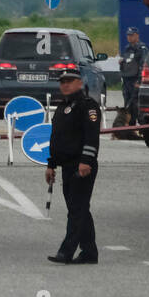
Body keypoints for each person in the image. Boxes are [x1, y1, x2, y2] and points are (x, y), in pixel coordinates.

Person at [46, 66, 101, 264]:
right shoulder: (63, 107)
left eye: (70, 81)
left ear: (80, 83)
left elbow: (91, 136)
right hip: (67, 166)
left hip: (82, 166)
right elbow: (56, 138)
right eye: (63, 82)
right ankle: (89, 252)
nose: (66, 85)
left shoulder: (88, 106)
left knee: (76, 210)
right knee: (79, 209)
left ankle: (66, 251)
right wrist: (51, 164)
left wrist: (86, 161)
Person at [119, 27, 148, 126]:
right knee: (127, 103)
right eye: (128, 35)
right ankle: (130, 126)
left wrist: (139, 81)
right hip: (126, 81)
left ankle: (142, 126)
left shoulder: (141, 48)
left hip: (135, 80)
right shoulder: (127, 48)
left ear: (137, 35)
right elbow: (127, 64)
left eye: (131, 35)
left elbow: (143, 65)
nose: (129, 37)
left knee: (136, 104)